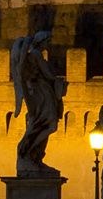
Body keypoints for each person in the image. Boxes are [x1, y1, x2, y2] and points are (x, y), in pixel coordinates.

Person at [11, 30, 67, 173]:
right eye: (47, 41)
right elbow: (47, 74)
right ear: (42, 41)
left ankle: (35, 157)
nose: (48, 44)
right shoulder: (35, 54)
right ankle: (28, 152)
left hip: (43, 92)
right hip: (42, 93)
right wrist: (58, 81)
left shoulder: (35, 54)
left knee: (46, 124)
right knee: (48, 124)